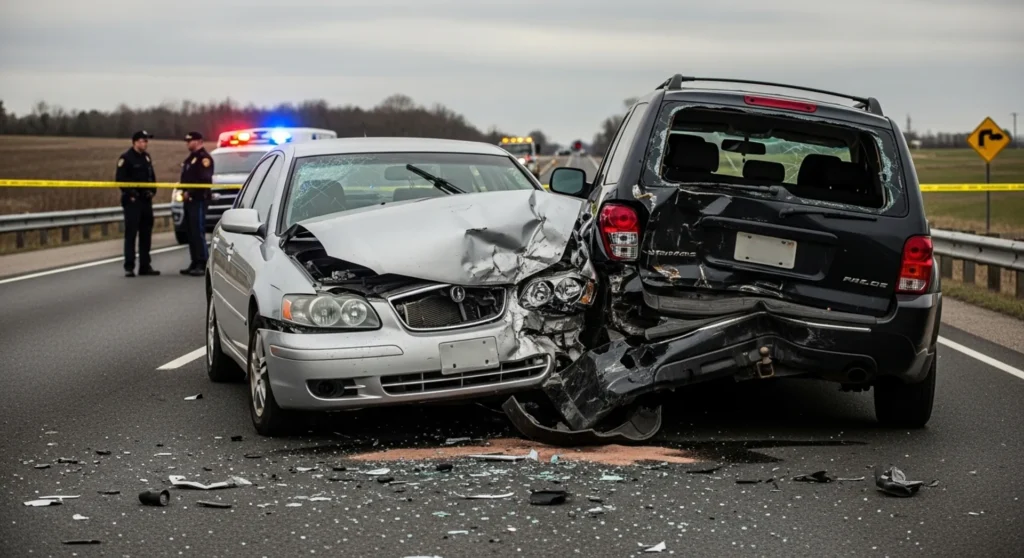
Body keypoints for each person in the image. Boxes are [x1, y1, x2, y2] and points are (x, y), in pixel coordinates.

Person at [116, 130, 160, 277]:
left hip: (146, 202)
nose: (145, 143)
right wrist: (132, 193)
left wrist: (152, 191)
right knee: (131, 234)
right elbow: (120, 180)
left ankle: (145, 266)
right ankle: (129, 266)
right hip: (132, 202)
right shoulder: (126, 158)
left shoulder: (146, 158)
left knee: (146, 235)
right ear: (135, 142)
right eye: (142, 141)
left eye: (146, 141)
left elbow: (151, 177)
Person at [179, 131, 214, 276]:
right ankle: (194, 261)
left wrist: (190, 192)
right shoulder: (190, 159)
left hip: (198, 199)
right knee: (190, 231)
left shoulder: (204, 159)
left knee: (198, 231)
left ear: (199, 141)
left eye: (190, 141)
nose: (187, 143)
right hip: (188, 200)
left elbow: (203, 180)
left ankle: (202, 262)